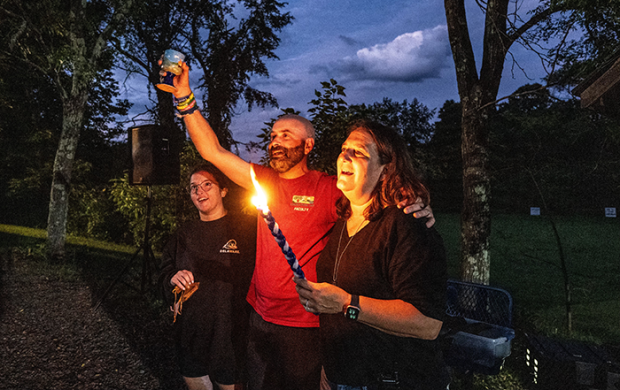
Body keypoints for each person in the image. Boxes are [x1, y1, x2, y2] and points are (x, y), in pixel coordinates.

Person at [167, 61, 436, 390]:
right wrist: (184, 97)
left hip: (305, 324)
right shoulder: (261, 181)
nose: (275, 141)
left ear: (308, 145)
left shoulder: (328, 188)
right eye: (272, 136)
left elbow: (376, 190)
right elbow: (211, 150)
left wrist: (413, 200)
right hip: (258, 314)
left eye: (286, 135)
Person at [294, 120, 450, 390]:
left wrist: (346, 303)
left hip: (394, 380)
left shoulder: (406, 224)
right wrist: (329, 370)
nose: (345, 155)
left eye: (359, 153)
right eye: (344, 149)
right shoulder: (342, 221)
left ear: (386, 169)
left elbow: (428, 323)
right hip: (339, 378)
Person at [159, 163, 256, 390]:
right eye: (194, 187)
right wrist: (172, 279)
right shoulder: (184, 234)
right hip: (191, 334)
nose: (199, 192)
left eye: (207, 185)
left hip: (230, 335)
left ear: (223, 190)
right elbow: (164, 273)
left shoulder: (245, 229)